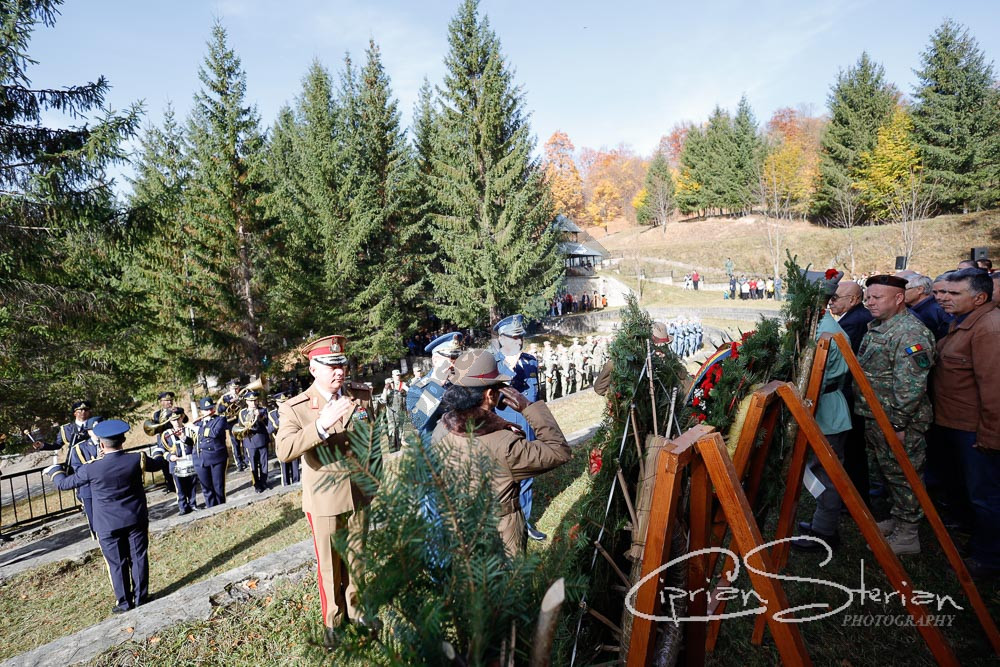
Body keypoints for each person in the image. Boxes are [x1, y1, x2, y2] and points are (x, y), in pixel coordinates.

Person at [275, 335, 377, 644]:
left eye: (342, 365)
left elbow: (372, 439)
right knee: (330, 566)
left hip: (359, 494)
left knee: (357, 559)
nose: (339, 372)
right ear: (313, 369)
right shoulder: (295, 408)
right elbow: (284, 450)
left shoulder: (360, 396)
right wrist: (320, 426)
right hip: (324, 500)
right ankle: (334, 623)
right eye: (331, 366)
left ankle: (358, 613)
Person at [431, 349, 571, 556]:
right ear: (490, 394)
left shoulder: (442, 428)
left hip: (459, 530)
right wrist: (529, 408)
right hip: (500, 537)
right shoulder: (505, 443)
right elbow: (559, 451)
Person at [855, 274, 935, 555]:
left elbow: (911, 386)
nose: (869, 302)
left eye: (877, 297)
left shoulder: (910, 334)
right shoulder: (879, 326)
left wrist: (898, 424)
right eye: (868, 297)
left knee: (904, 475)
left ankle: (908, 534)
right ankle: (896, 519)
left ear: (899, 298)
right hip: (878, 417)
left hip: (899, 421)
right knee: (887, 472)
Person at [928, 268, 1000, 578]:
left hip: (975, 431)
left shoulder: (989, 329)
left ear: (979, 298)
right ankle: (977, 540)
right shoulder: (963, 321)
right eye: (943, 292)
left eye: (954, 293)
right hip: (956, 424)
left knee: (986, 496)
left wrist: (991, 435)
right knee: (971, 492)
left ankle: (989, 559)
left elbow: (994, 389)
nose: (944, 298)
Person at [45, 419, 151, 613]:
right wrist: (160, 453)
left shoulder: (91, 468)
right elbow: (158, 463)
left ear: (101, 444)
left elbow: (64, 484)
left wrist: (55, 471)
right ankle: (141, 598)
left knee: (117, 564)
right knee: (138, 558)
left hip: (107, 524)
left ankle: (124, 603)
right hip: (135, 518)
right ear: (123, 440)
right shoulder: (137, 459)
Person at [792, 271, 852, 552]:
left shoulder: (826, 333)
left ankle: (825, 532)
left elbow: (816, 380)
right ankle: (822, 523)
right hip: (821, 407)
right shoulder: (817, 325)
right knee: (821, 470)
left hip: (825, 411)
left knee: (825, 473)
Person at [490, 314, 546, 541]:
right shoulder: (492, 365)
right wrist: (510, 368)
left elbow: (536, 395)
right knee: (505, 479)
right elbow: (492, 401)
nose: (519, 341)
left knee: (527, 475)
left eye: (520, 337)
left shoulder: (530, 361)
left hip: (528, 429)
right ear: (501, 339)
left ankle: (525, 523)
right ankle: (502, 526)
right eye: (513, 337)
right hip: (504, 431)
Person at [406, 332, 464, 446]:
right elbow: (415, 422)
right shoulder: (417, 388)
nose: (455, 363)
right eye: (452, 358)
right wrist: (436, 386)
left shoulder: (461, 382)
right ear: (436, 360)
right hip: (436, 450)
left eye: (458, 358)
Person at [594, 322, 671, 396]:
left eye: (663, 346)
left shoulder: (668, 363)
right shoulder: (630, 362)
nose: (661, 352)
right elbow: (599, 388)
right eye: (658, 347)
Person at [66, 415, 104, 538]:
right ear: (88, 431)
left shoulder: (110, 443)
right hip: (89, 490)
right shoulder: (79, 448)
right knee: (95, 522)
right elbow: (78, 471)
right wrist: (96, 461)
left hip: (107, 487)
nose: (97, 433)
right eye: (94, 430)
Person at [192, 396, 229, 507]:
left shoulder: (220, 419)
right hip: (201, 459)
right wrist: (183, 437)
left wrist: (198, 429)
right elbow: (193, 442)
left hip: (216, 457)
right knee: (207, 489)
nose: (209, 411)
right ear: (201, 411)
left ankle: (221, 508)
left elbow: (214, 433)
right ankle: (211, 509)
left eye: (210, 408)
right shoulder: (198, 423)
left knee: (218, 487)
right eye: (206, 410)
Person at [160, 407, 198, 514]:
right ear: (170, 421)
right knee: (180, 488)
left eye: (177, 419)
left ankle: (193, 504)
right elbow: (162, 450)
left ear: (181, 418)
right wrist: (169, 457)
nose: (176, 422)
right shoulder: (166, 434)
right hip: (176, 464)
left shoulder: (189, 430)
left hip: (189, 461)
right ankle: (183, 507)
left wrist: (183, 437)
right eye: (173, 420)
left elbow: (195, 443)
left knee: (192, 485)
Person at [899, 273, 952, 340]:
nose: (899, 294)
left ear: (920, 290)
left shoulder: (936, 311)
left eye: (904, 290)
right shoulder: (910, 308)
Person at [238, 391, 271, 493]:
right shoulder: (242, 413)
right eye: (251, 401)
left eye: (255, 400)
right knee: (253, 464)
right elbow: (242, 425)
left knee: (263, 463)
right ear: (246, 401)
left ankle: (264, 482)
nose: (253, 403)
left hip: (262, 439)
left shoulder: (263, 410)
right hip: (250, 441)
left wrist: (259, 417)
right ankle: (256, 485)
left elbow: (267, 423)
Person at [267, 393, 299, 485]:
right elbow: (270, 430)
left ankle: (296, 481)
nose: (283, 404)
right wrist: (278, 421)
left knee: (295, 461)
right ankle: (286, 483)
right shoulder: (272, 414)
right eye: (281, 402)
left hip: (292, 438)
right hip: (281, 441)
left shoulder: (293, 410)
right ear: (277, 403)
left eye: (285, 401)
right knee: (284, 463)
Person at [380, 370, 407, 452]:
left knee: (399, 428)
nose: (392, 384)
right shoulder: (387, 390)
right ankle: (392, 448)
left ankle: (398, 446)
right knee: (392, 430)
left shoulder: (398, 389)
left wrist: (404, 392)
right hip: (391, 415)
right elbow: (383, 400)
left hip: (399, 412)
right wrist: (385, 389)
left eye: (392, 383)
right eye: (390, 383)